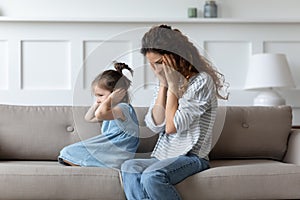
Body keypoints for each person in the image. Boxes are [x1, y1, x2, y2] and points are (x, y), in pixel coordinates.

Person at [121, 24, 228, 200]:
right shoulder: (164, 82)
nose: (156, 70)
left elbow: (171, 127)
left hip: (192, 157)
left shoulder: (201, 81)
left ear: (176, 57)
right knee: (129, 168)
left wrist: (172, 85)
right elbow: (155, 124)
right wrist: (164, 85)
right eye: (151, 64)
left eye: (159, 63)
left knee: (151, 176)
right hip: (163, 156)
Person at [58, 62, 140, 169]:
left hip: (117, 153)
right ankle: (89, 164)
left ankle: (95, 165)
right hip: (109, 150)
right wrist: (97, 103)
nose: (98, 99)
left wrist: (110, 99)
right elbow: (89, 118)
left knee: (67, 152)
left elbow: (100, 114)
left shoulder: (123, 108)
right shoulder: (110, 111)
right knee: (66, 152)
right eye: (96, 96)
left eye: (101, 95)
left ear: (116, 93)